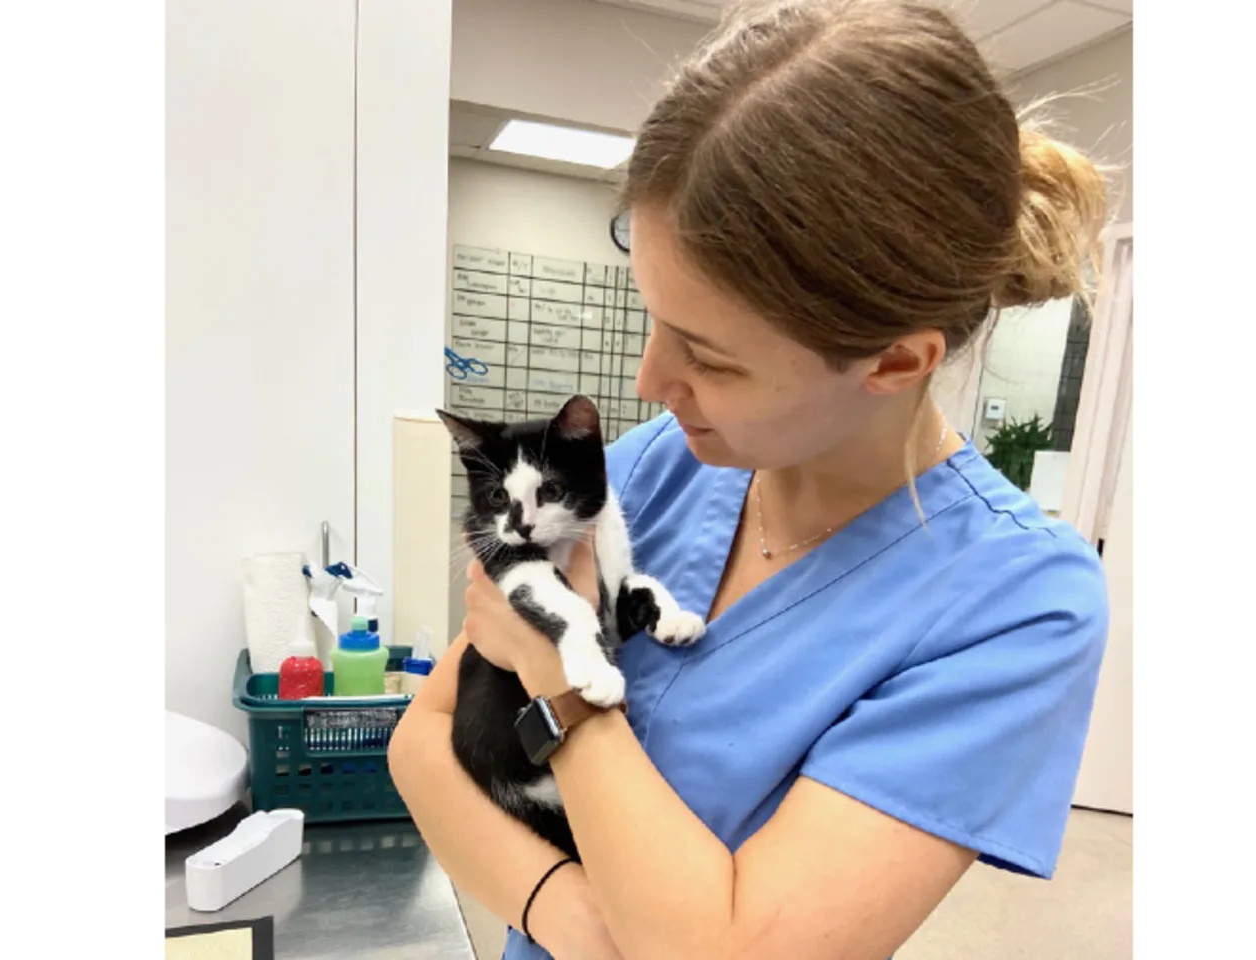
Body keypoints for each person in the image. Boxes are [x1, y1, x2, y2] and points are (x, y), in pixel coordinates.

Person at [388, 1, 1114, 957]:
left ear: (895, 362)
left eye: (708, 356)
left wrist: (560, 681)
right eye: (652, 318)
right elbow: (422, 744)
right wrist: (566, 909)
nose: (648, 382)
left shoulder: (1017, 603)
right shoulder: (656, 466)